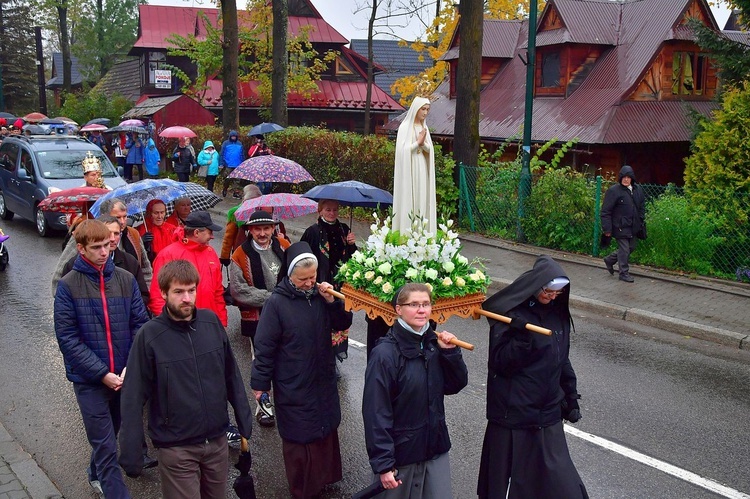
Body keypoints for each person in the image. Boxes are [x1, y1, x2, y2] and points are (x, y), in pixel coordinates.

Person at [119, 259, 254, 498]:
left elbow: (231, 375)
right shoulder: (149, 336)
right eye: (179, 292)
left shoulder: (211, 323)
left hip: (216, 441)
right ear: (163, 293)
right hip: (176, 447)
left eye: (191, 290)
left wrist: (244, 420)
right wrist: (131, 452)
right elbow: (133, 396)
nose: (187, 299)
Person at [53, 219, 150, 498]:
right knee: (106, 446)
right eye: (96, 247)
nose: (104, 252)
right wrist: (101, 374)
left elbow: (139, 325)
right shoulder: (68, 285)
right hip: (90, 381)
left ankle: (95, 471)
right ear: (81, 249)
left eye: (107, 245)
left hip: (122, 377)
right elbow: (68, 338)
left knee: (115, 431)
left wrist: (129, 367)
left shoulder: (125, 279)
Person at [477, 255, 587, 499]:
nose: (552, 297)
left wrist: (570, 395)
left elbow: (561, 358)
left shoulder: (557, 315)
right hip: (514, 414)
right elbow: (500, 363)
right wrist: (521, 341)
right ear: (536, 286)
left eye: (558, 293)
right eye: (548, 291)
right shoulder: (510, 315)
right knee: (513, 486)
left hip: (547, 414)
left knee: (561, 485)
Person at [251, 242, 353, 498]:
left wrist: (332, 302)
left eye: (313, 277)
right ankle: (304, 487)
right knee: (300, 433)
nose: (310, 283)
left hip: (322, 375)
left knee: (324, 426)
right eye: (303, 279)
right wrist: (260, 384)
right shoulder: (276, 303)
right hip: (293, 379)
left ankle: (325, 477)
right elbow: (264, 346)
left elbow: (343, 323)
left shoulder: (322, 295)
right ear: (289, 276)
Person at [363, 283, 468, 497]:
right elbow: (376, 412)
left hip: (435, 447)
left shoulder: (433, 344)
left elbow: (454, 385)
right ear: (398, 309)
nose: (421, 310)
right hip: (402, 455)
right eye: (414, 304)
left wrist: (451, 354)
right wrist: (383, 464)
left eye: (426, 304)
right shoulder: (384, 354)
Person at [230, 211, 285, 427]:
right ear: (249, 230)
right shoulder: (239, 255)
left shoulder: (284, 246)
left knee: (286, 359)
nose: (262, 233)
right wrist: (273, 298)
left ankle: (287, 403)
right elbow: (238, 290)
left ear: (273, 228)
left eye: (266, 228)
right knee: (261, 361)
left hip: (285, 316)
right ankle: (264, 407)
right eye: (257, 229)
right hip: (258, 317)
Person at [51, 198, 152, 295]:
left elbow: (145, 269)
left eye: (125, 216)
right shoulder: (85, 234)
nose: (122, 221)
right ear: (104, 216)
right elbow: (59, 277)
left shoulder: (133, 234)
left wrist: (141, 299)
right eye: (117, 217)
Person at [301, 199, 357, 364]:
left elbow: (353, 257)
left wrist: (352, 245)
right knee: (322, 320)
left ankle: (334, 354)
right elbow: (304, 257)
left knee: (339, 317)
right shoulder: (313, 231)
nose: (332, 213)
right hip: (321, 284)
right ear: (320, 211)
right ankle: (319, 356)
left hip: (341, 285)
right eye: (328, 210)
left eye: (334, 210)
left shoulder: (343, 229)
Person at [148, 211, 227, 326]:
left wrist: (221, 323)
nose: (212, 236)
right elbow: (157, 295)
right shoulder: (168, 254)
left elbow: (218, 293)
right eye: (210, 232)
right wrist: (168, 326)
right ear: (196, 232)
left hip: (208, 324)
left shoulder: (211, 253)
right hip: (179, 326)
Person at [62, 215, 150, 309]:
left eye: (116, 233)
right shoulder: (73, 265)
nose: (112, 238)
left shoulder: (130, 262)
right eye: (108, 233)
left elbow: (142, 295)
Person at [393, 96, 436, 234]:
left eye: (428, 110)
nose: (425, 112)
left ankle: (421, 230)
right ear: (416, 109)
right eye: (423, 109)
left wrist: (423, 145)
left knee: (422, 195)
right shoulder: (405, 127)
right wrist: (417, 143)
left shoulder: (424, 128)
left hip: (421, 166)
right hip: (409, 168)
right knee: (410, 195)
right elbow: (401, 151)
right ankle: (407, 231)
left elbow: (430, 150)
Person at [601, 165, 646, 283]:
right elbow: (606, 211)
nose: (626, 179)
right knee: (625, 249)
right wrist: (607, 229)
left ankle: (610, 260)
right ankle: (623, 273)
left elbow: (642, 206)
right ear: (620, 178)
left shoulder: (638, 190)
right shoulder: (614, 191)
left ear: (632, 178)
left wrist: (640, 219)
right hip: (619, 226)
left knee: (631, 247)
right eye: (624, 177)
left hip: (633, 225)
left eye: (628, 177)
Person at [219, 129, 245, 198]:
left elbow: (242, 154)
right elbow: (222, 154)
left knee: (237, 180)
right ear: (230, 136)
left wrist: (243, 163)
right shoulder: (225, 143)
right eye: (232, 136)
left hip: (238, 164)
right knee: (227, 178)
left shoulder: (239, 144)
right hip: (228, 164)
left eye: (235, 136)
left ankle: (235, 192)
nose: (233, 137)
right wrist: (221, 163)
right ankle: (225, 188)